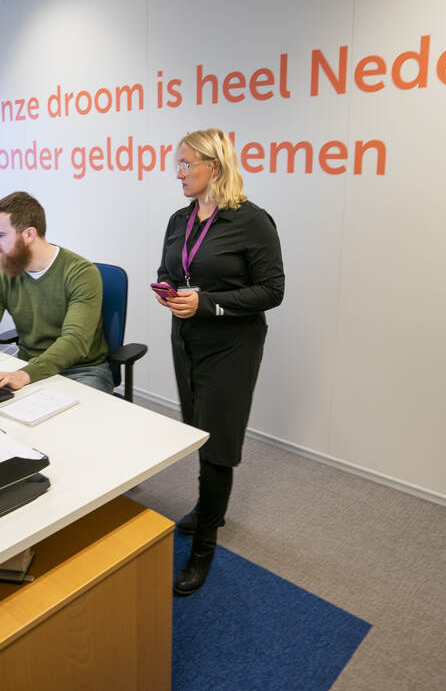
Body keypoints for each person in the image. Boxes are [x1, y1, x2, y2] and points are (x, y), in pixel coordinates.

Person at [154, 128, 285, 596]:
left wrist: (208, 303)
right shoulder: (179, 219)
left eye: (186, 164)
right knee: (198, 430)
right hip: (186, 340)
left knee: (218, 443)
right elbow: (170, 270)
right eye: (178, 164)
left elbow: (272, 291)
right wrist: (168, 291)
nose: (179, 173)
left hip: (232, 346)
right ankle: (209, 507)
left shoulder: (252, 221)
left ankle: (204, 546)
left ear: (215, 166)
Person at [0, 191, 113, 393]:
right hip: (27, 366)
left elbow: (74, 341)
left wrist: (24, 375)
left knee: (69, 413)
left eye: (0, 235)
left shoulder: (81, 273)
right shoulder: (2, 275)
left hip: (82, 370)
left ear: (29, 234)